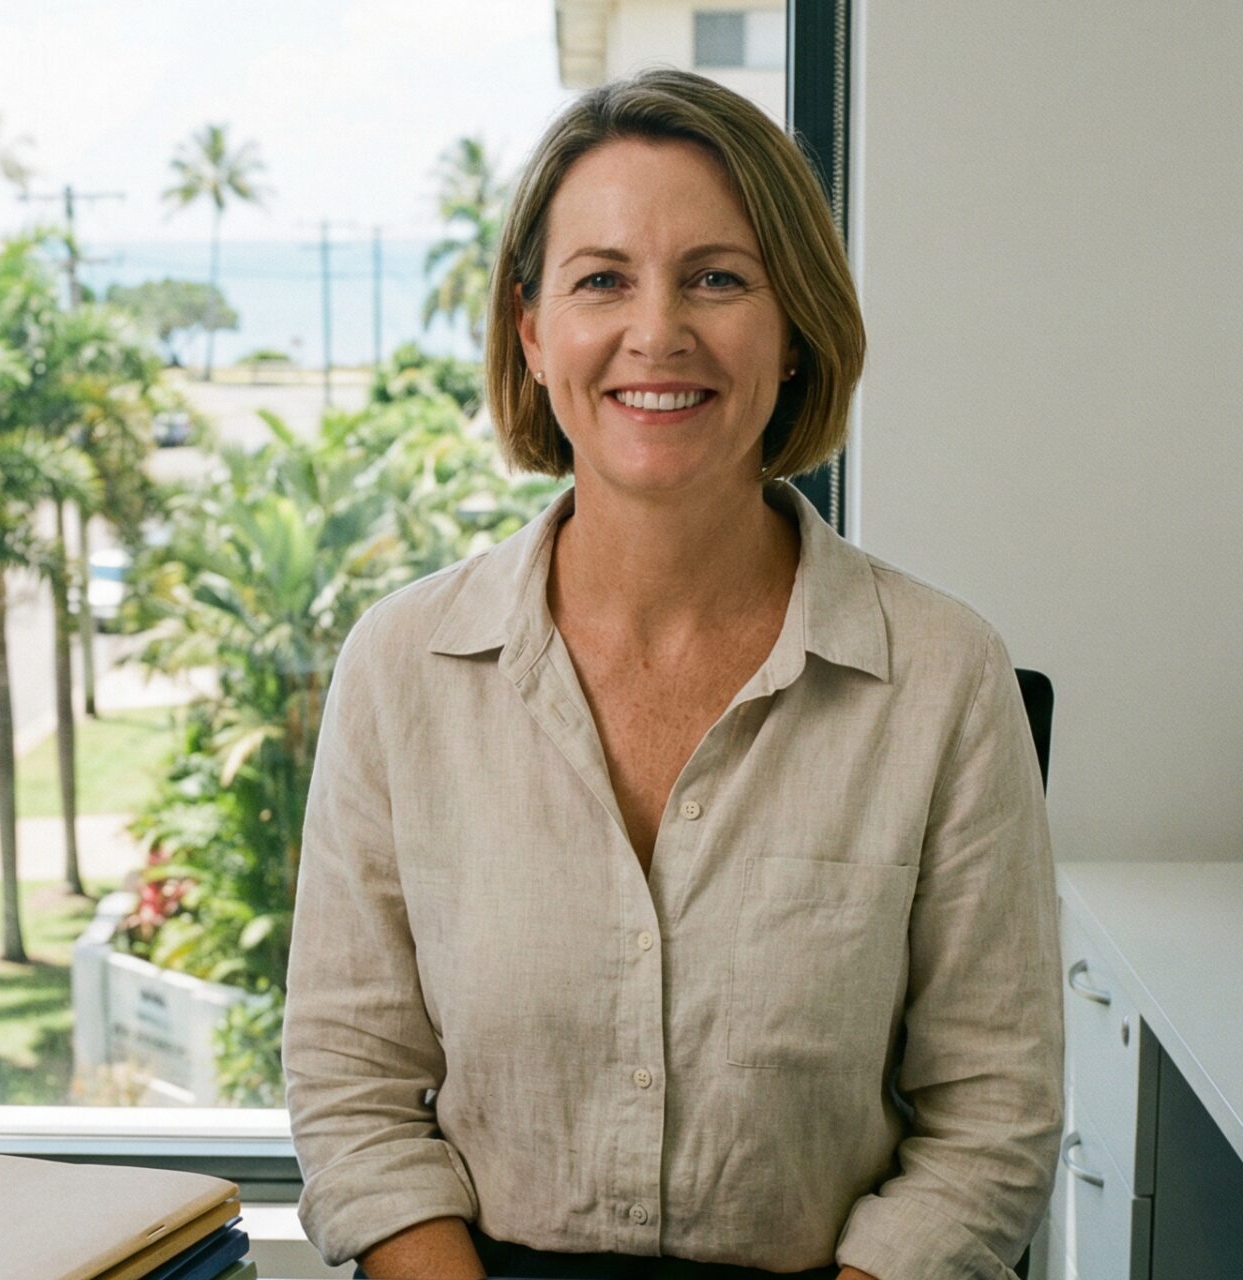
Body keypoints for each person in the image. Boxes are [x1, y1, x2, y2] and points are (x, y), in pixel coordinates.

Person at [282, 68, 1062, 1280]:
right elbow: (353, 1090)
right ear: (534, 333)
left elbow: (990, 1119)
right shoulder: (401, 669)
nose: (659, 333)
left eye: (718, 277)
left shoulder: (946, 677)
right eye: (602, 279)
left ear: (795, 325)